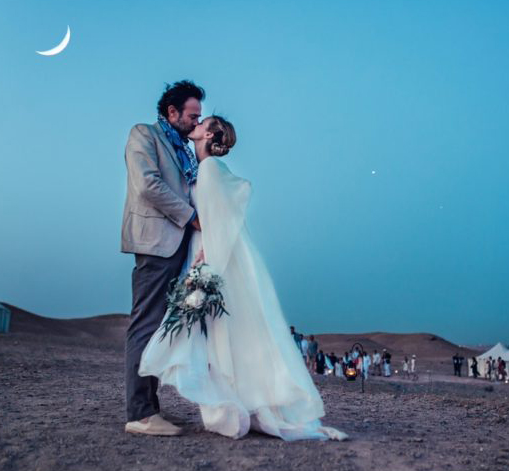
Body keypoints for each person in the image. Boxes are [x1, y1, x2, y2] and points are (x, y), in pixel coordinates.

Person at [138, 114, 346, 441]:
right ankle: (236, 404)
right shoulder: (207, 169)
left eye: (201, 121)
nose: (196, 122)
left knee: (219, 334)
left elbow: (213, 219)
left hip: (212, 255)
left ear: (209, 134)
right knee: (219, 334)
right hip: (211, 252)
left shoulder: (209, 170)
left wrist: (203, 264)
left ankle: (234, 405)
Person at [122, 80, 205, 437]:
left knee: (160, 327)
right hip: (155, 244)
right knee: (146, 326)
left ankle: (151, 408)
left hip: (180, 249)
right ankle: (140, 413)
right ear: (172, 112)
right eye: (192, 115)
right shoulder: (144, 135)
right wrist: (190, 216)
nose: (196, 121)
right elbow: (148, 185)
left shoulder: (184, 150)